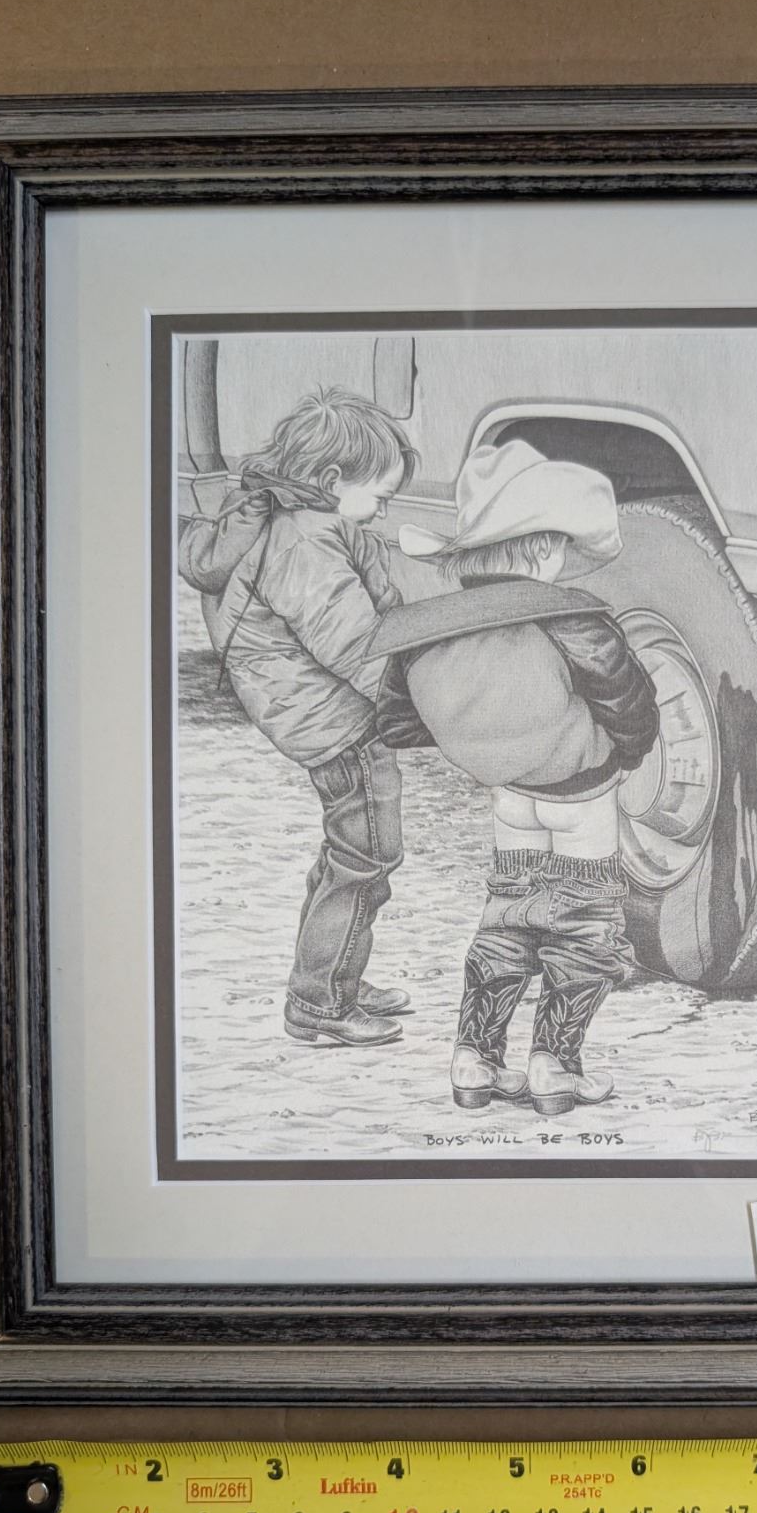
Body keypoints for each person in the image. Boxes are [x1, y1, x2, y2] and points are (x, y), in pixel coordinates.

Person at [371, 440, 660, 1115]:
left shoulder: (431, 629)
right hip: (581, 797)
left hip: (510, 800)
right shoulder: (568, 616)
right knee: (582, 926)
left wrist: (488, 742)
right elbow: (626, 698)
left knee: (505, 920)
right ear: (543, 549)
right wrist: (626, 752)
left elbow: (396, 722)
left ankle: (474, 1058)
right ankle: (555, 1067)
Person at [177, 387, 418, 1047]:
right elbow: (355, 645)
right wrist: (416, 710)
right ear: (332, 480)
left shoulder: (276, 518)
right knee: (367, 856)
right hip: (338, 724)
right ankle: (320, 1002)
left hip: (311, 715)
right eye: (379, 497)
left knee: (348, 852)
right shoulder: (304, 542)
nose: (383, 510)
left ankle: (332, 973)